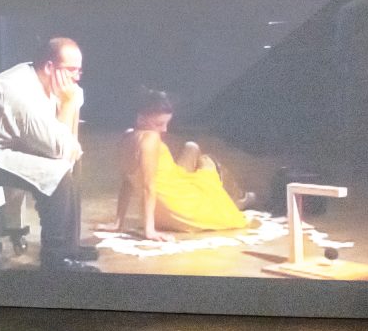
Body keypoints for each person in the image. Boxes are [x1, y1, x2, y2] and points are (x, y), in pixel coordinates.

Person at [0, 37, 97, 270]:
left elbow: (70, 147)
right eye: (71, 70)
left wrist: (71, 104)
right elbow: (60, 150)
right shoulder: (20, 93)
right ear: (49, 67)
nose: (77, 77)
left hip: (11, 148)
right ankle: (55, 257)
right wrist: (68, 105)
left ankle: (70, 247)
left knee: (72, 163)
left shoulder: (43, 82)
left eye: (79, 70)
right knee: (56, 172)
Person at [99, 89, 254, 242]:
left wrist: (118, 222)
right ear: (141, 118)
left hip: (163, 208)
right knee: (208, 161)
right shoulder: (150, 139)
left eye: (167, 123)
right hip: (178, 207)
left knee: (191, 147)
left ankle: (237, 198)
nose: (164, 129)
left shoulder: (126, 137)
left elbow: (127, 182)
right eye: (159, 124)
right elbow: (148, 187)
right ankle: (240, 199)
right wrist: (149, 231)